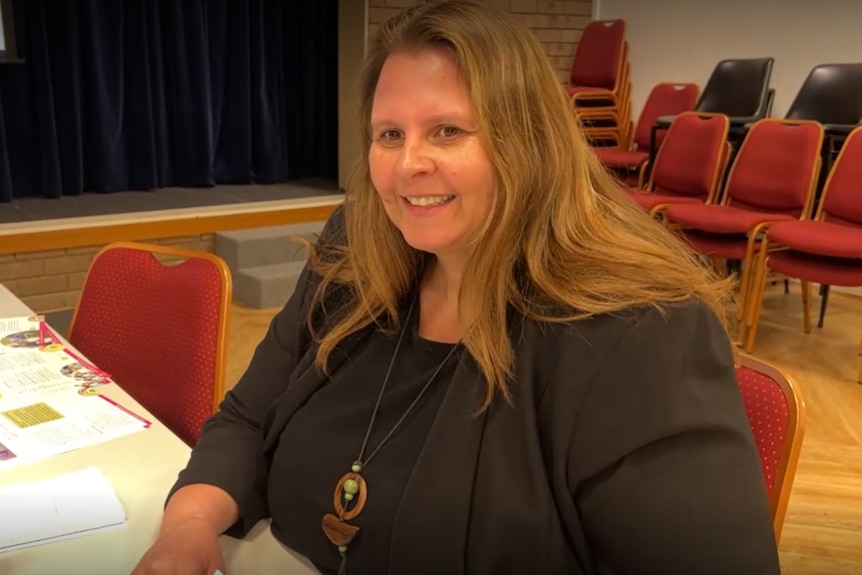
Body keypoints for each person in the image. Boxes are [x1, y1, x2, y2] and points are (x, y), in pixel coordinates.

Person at [132, 2, 781, 574]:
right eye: (390, 134)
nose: (409, 163)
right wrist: (189, 524)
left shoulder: (642, 334)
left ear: (527, 142)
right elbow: (247, 417)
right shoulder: (353, 253)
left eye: (446, 130)